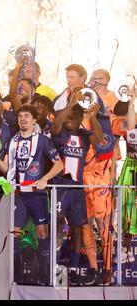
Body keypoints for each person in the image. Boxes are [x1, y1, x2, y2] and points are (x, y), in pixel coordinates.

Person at [0, 105, 64, 285]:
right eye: (20, 116)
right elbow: (6, 169)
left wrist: (45, 179)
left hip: (37, 194)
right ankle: (17, 275)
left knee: (42, 233)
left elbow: (59, 165)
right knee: (14, 233)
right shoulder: (12, 141)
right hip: (17, 194)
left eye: (27, 116)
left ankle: (44, 273)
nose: (22, 119)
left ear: (34, 120)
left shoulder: (42, 140)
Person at [51, 90, 104, 285]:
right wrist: (71, 104)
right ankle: (54, 269)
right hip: (60, 188)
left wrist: (93, 117)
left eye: (75, 117)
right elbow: (56, 125)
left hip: (77, 190)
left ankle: (72, 270)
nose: (70, 120)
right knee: (57, 229)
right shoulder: (60, 133)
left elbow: (98, 139)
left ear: (81, 118)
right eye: (68, 117)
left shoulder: (83, 134)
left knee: (77, 230)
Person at [112, 90, 137, 259]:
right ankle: (126, 243)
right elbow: (113, 149)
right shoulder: (124, 126)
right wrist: (112, 172)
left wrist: (131, 102)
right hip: (130, 166)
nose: (119, 123)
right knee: (126, 203)